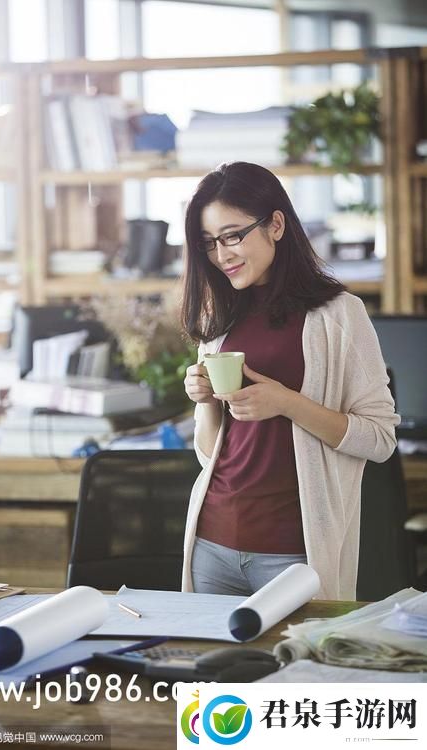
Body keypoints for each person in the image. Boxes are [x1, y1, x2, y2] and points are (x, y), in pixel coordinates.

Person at [181, 161, 400, 601]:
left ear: (276, 224)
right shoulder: (218, 318)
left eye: (233, 235)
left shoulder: (339, 315)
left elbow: (379, 439)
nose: (221, 254)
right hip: (213, 542)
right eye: (209, 243)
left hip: (293, 552)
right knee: (208, 670)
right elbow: (210, 456)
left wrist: (287, 402)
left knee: (294, 670)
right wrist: (205, 401)